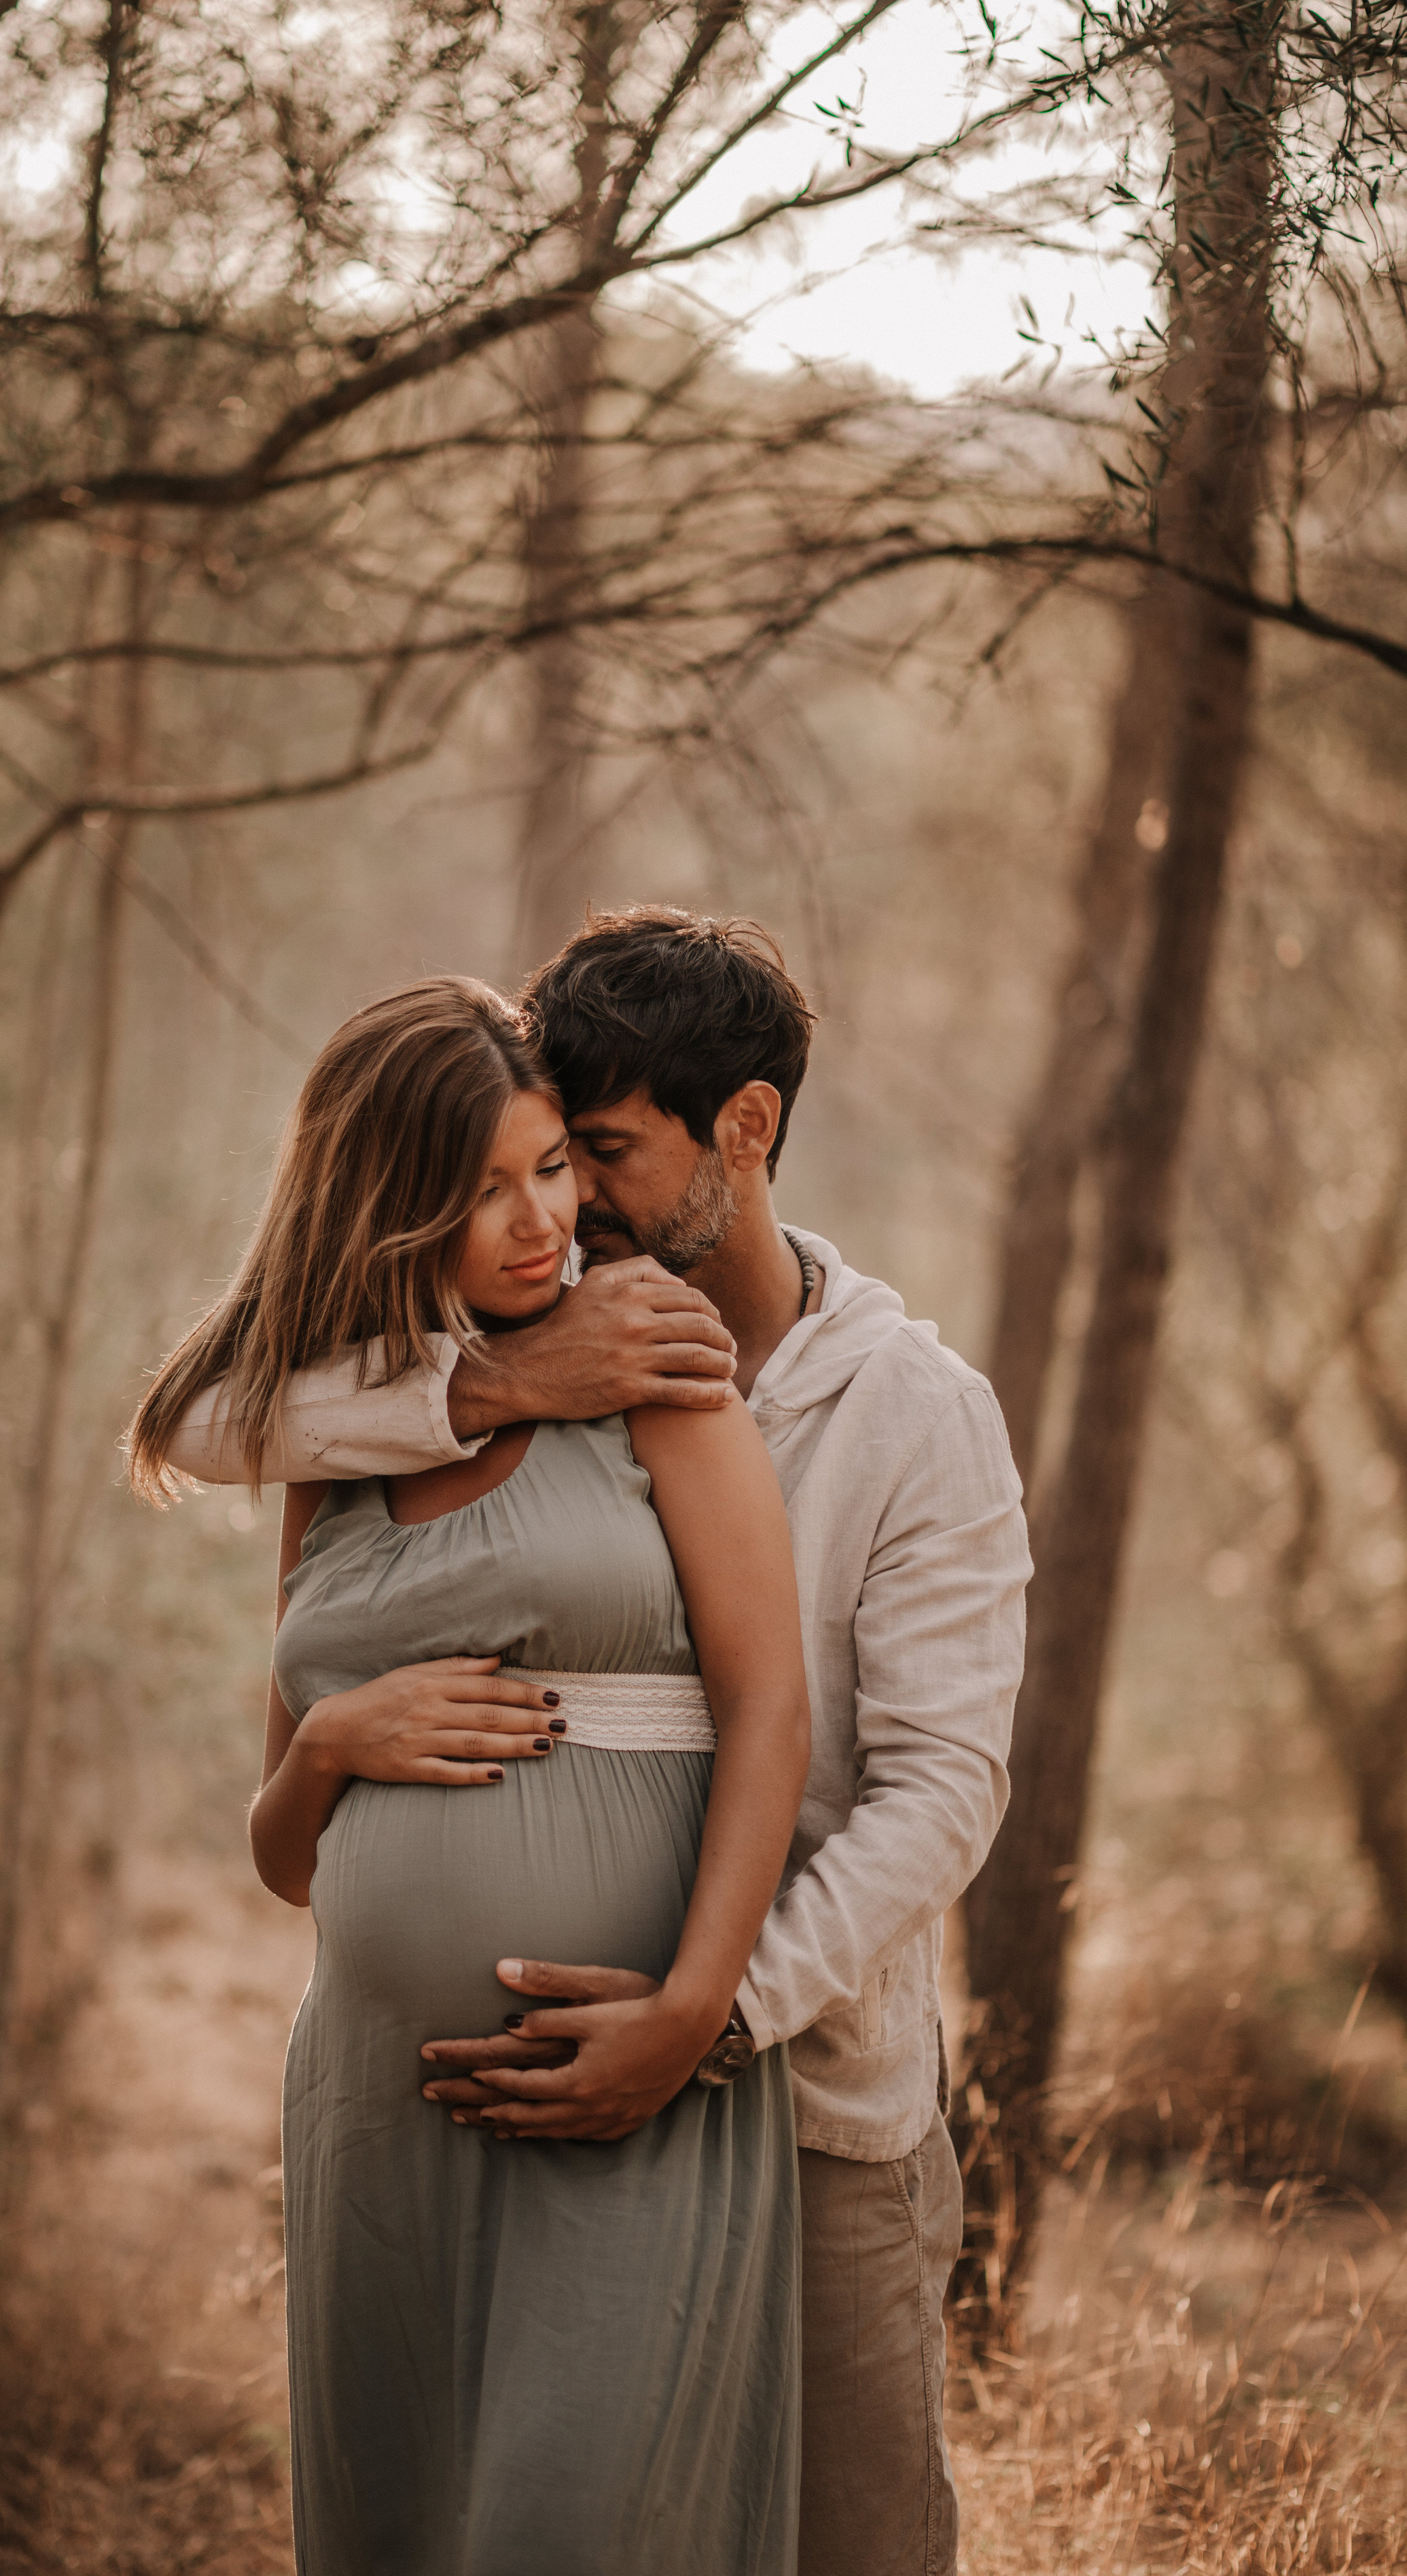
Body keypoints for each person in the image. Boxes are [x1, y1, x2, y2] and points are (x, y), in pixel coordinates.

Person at [192, 910, 1033, 2576]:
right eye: (529, 1164)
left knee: (840, 2540)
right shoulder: (463, 1361)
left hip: (797, 2088)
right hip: (427, 2112)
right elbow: (209, 1422)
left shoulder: (908, 1411)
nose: (566, 1203)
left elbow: (940, 1792)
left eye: (594, 1155)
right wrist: (499, 1389)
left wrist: (704, 2016)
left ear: (745, 1128)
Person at [130, 976, 812, 2576]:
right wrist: (326, 1744)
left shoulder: (655, 1370)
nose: (538, 1221)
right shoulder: (338, 1444)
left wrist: (692, 2010)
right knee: (403, 2532)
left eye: (551, 1167)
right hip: (380, 2109)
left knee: (567, 2533)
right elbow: (284, 1860)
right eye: (480, 1190)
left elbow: (770, 1705)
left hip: (625, 2085)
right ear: (386, 1211)